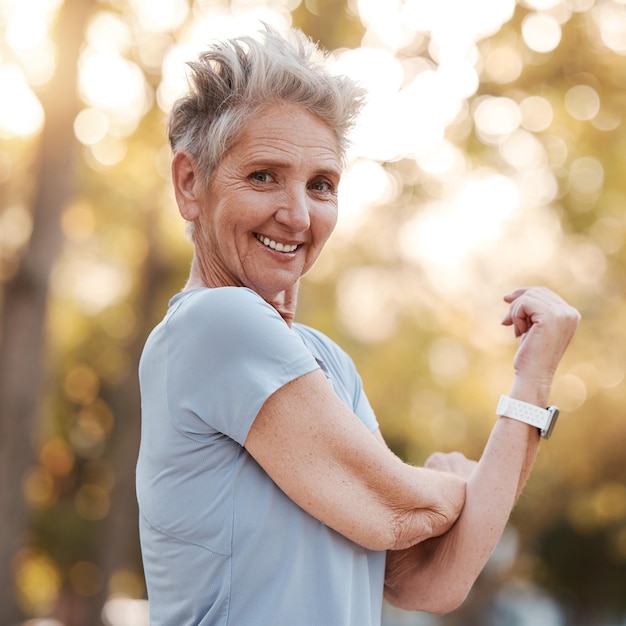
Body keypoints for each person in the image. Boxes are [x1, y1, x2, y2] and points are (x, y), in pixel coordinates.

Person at [135, 26, 580, 626]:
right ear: (191, 183)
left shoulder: (326, 361)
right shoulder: (214, 321)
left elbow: (431, 578)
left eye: (321, 185)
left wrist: (532, 385)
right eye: (264, 175)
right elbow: (394, 507)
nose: (296, 215)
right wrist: (460, 486)